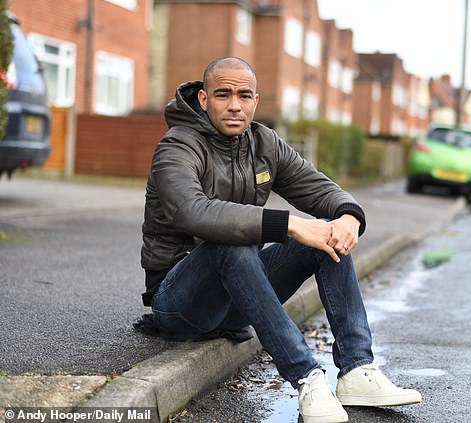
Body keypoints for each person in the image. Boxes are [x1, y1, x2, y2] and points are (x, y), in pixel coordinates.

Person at [140, 57, 421, 423]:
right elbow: (193, 212)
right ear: (205, 99)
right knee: (230, 241)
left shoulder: (263, 143)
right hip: (180, 301)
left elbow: (316, 187)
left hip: (240, 292)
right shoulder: (177, 147)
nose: (235, 105)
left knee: (324, 236)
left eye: (244, 95)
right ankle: (306, 378)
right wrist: (288, 224)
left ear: (256, 100)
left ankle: (356, 369)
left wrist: (348, 215)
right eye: (223, 94)